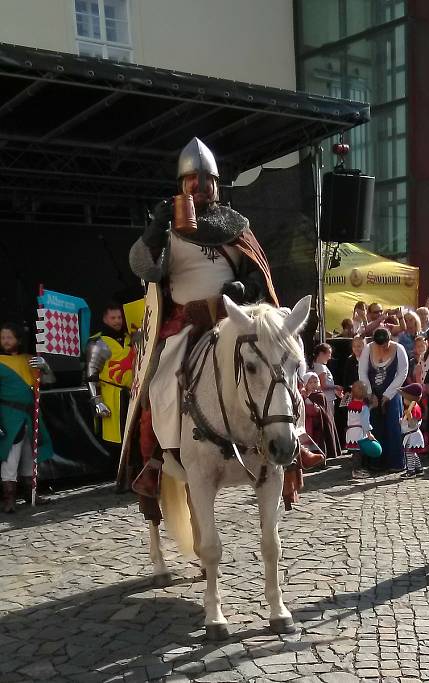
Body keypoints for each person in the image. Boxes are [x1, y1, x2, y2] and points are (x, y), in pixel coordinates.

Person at [126, 137, 279, 501]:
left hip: (233, 316)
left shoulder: (236, 226)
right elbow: (145, 270)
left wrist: (245, 288)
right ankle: (156, 461)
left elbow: (261, 272)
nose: (200, 187)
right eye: (191, 180)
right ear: (182, 185)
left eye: (205, 180)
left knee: (279, 361)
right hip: (187, 321)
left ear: (216, 183)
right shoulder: (167, 229)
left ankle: (295, 442)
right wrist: (154, 233)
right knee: (159, 381)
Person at [0, 323, 55, 513]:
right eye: (3, 338)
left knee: (29, 458)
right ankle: (9, 499)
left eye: (9, 337)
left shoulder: (30, 360)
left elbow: (48, 383)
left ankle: (30, 493)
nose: (6, 341)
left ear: (18, 340)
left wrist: (45, 368)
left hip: (29, 415)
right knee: (10, 458)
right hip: (9, 416)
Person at [85, 303, 134, 467]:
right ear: (105, 318)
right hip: (112, 396)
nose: (117, 321)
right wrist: (97, 400)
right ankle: (119, 475)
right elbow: (91, 375)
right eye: (113, 318)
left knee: (134, 436)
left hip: (133, 394)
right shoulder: (98, 343)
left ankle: (133, 473)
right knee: (116, 440)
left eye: (119, 317)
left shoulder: (130, 339)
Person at [358, 327, 409, 471]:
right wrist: (369, 393)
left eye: (385, 344)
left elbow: (402, 373)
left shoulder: (399, 349)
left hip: (392, 392)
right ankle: (376, 462)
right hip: (373, 392)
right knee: (375, 425)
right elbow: (362, 372)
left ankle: (395, 462)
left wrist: (388, 394)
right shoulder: (368, 349)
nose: (382, 348)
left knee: (393, 425)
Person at [344, 380, 373, 479]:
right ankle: (356, 471)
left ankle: (357, 469)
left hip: (351, 431)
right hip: (358, 433)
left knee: (356, 452)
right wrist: (369, 433)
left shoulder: (350, 405)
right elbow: (365, 422)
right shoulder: (363, 407)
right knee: (358, 453)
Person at [399, 383, 425, 478]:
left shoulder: (414, 409)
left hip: (413, 435)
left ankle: (411, 471)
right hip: (410, 435)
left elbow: (413, 425)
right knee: (413, 453)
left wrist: (409, 417)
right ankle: (419, 468)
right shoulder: (410, 408)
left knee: (409, 453)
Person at [313, 343, 342, 425]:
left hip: (326, 398)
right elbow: (323, 385)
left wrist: (334, 391)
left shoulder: (316, 366)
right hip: (327, 400)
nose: (330, 357)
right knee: (329, 423)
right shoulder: (321, 367)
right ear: (321, 354)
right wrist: (336, 387)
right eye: (328, 353)